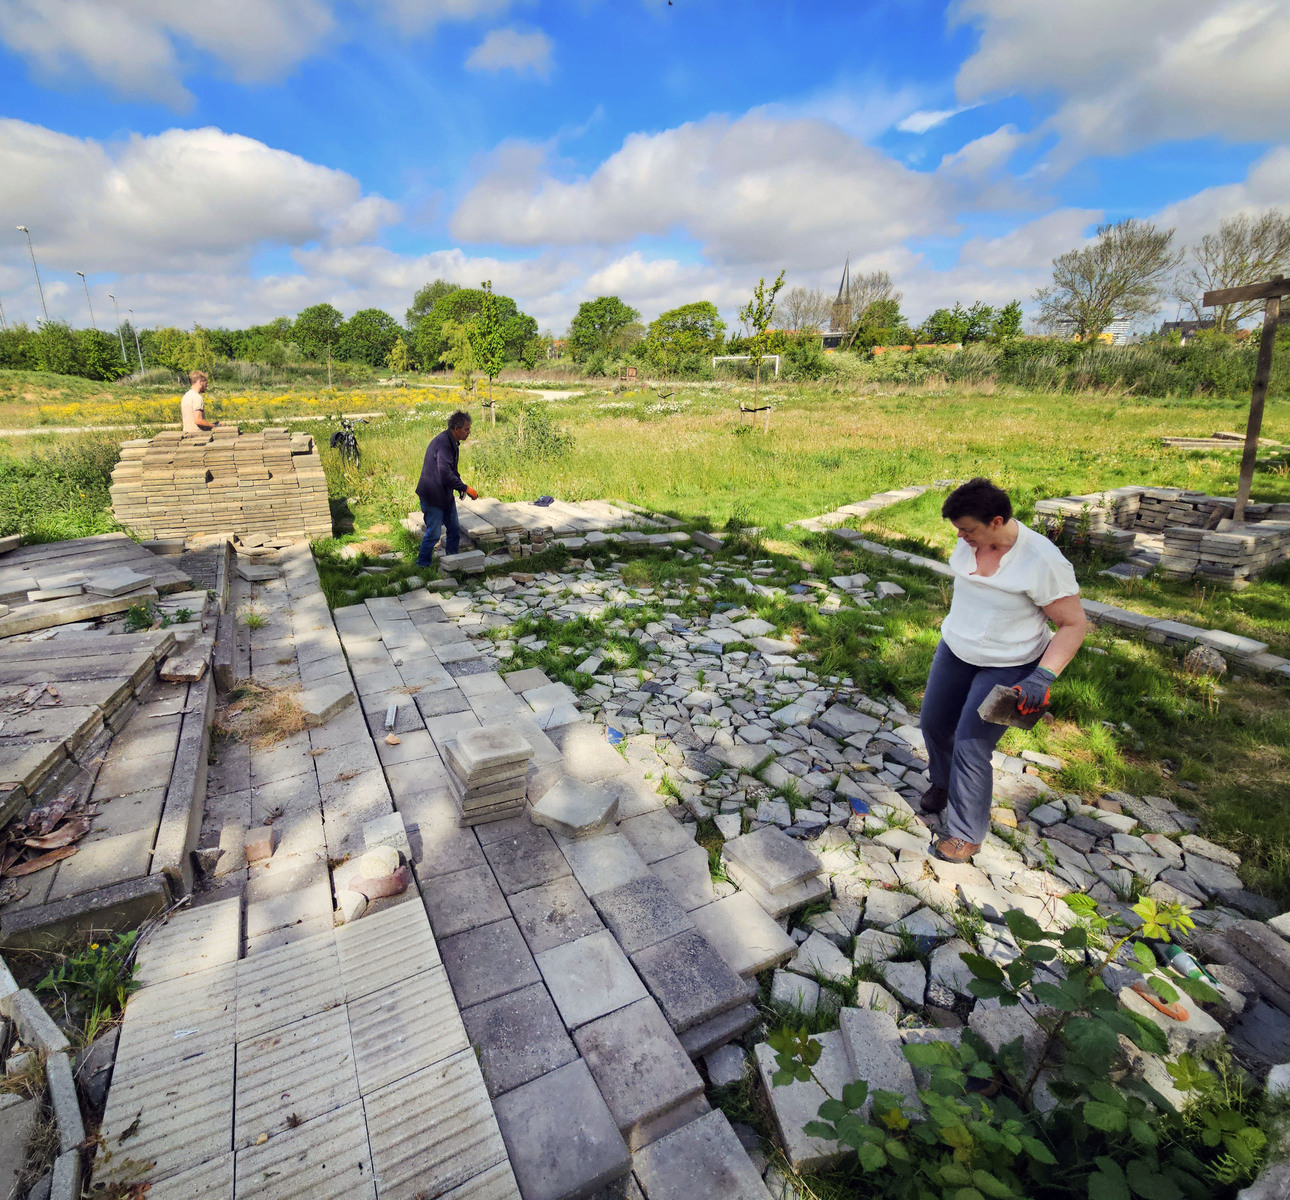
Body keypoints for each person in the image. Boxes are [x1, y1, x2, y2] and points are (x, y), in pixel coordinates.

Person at [918, 477, 1087, 863]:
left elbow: (1073, 624)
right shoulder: (971, 541)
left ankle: (965, 834)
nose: (961, 537)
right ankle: (943, 784)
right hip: (957, 649)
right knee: (933, 724)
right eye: (957, 530)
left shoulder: (1040, 561)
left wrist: (1043, 676)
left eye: (968, 530)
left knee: (970, 743)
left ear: (996, 521)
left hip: (1009, 662)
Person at [415, 411, 478, 567]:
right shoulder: (443, 443)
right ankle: (422, 566)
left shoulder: (453, 442)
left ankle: (452, 561)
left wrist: (459, 487)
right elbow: (444, 474)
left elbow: (451, 471)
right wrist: (466, 488)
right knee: (434, 534)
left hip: (445, 495)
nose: (469, 432)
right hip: (432, 496)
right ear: (456, 428)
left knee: (454, 529)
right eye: (466, 429)